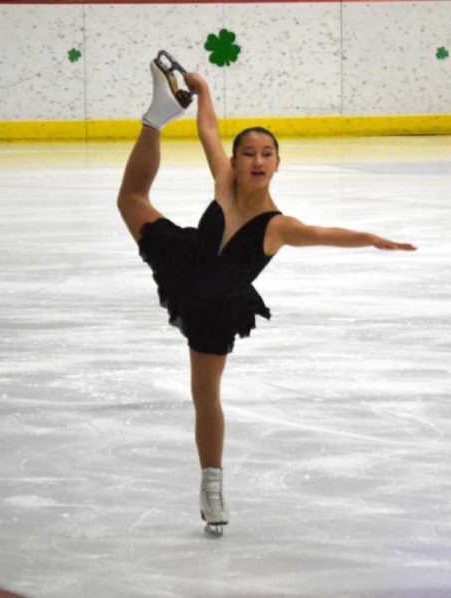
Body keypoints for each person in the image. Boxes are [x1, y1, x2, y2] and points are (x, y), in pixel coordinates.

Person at [116, 52, 416, 536]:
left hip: (213, 307)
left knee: (205, 395)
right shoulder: (224, 182)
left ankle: (211, 484)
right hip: (184, 259)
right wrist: (205, 95)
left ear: (278, 163)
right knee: (131, 199)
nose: (256, 160)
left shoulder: (279, 226)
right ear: (236, 161)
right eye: (248, 153)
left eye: (266, 154)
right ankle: (155, 118)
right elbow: (209, 134)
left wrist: (373, 238)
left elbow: (323, 233)